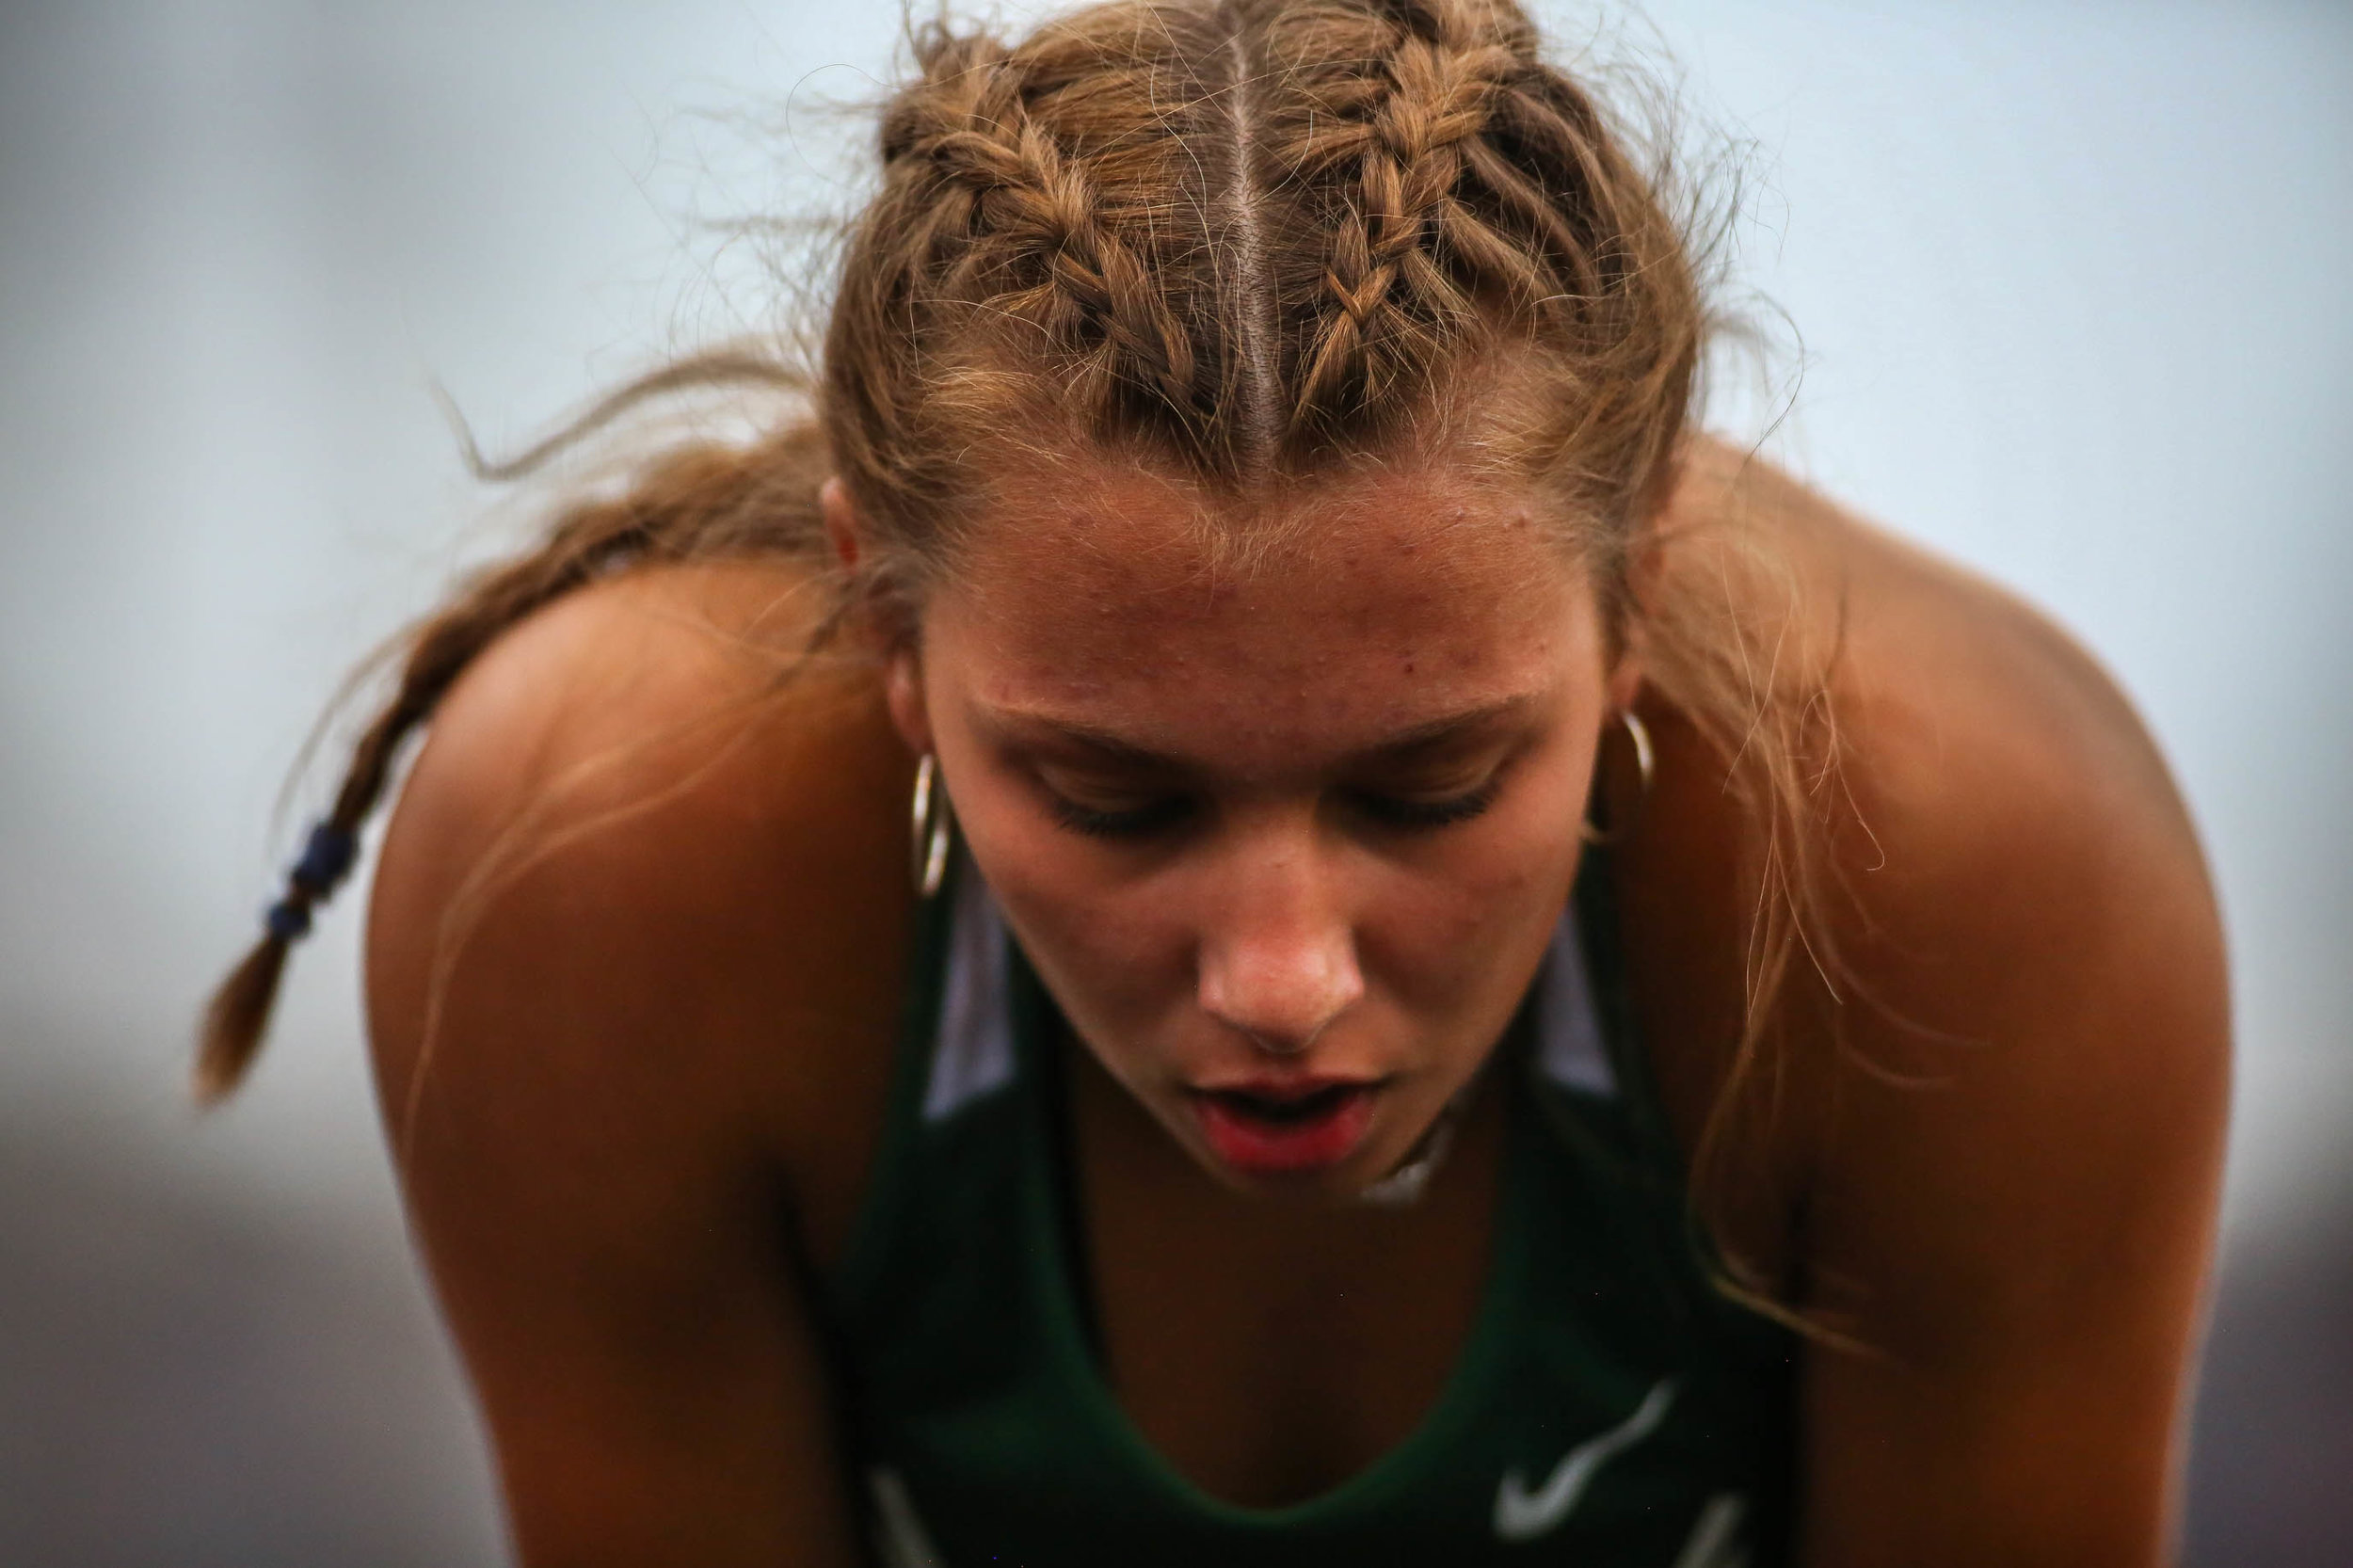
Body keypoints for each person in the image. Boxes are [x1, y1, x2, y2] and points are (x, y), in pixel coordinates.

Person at [199, 1, 2228, 1562]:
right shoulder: (606, 868)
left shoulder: (1970, 883)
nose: (1280, 976)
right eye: (1112, 798)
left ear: (1639, 602)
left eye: (1430, 788)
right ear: (886, 633)